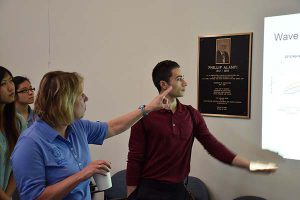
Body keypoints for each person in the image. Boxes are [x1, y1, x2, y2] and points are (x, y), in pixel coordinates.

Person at [126, 60, 277, 200]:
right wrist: (131, 195)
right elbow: (134, 158)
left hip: (179, 190)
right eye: (179, 79)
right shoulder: (144, 116)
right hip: (150, 191)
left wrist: (249, 165)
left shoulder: (191, 114)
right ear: (164, 84)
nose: (185, 83)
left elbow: (214, 147)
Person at [11, 70, 172, 200]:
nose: (86, 98)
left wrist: (148, 108)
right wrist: (82, 174)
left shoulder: (76, 127)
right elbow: (35, 197)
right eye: (80, 94)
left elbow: (113, 127)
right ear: (65, 101)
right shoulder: (30, 143)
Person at [0, 66, 26, 200]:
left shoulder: (18, 122)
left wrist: (8, 195)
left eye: (10, 81)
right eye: (3, 84)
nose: (11, 88)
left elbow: (19, 162)